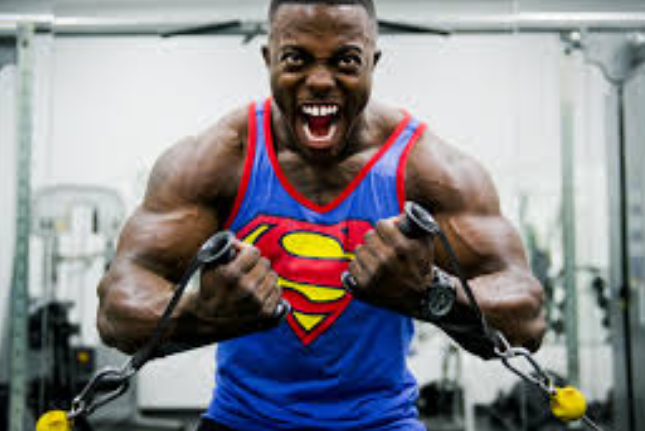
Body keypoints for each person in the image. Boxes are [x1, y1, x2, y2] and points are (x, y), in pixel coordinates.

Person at [96, 0, 546, 430]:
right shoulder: (217, 160)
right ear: (268, 59)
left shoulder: (429, 169)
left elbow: (526, 319)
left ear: (373, 62)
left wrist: (429, 294)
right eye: (296, 59)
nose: (320, 81)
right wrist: (204, 314)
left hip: (381, 423)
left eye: (346, 61)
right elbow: (117, 311)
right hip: (242, 421)